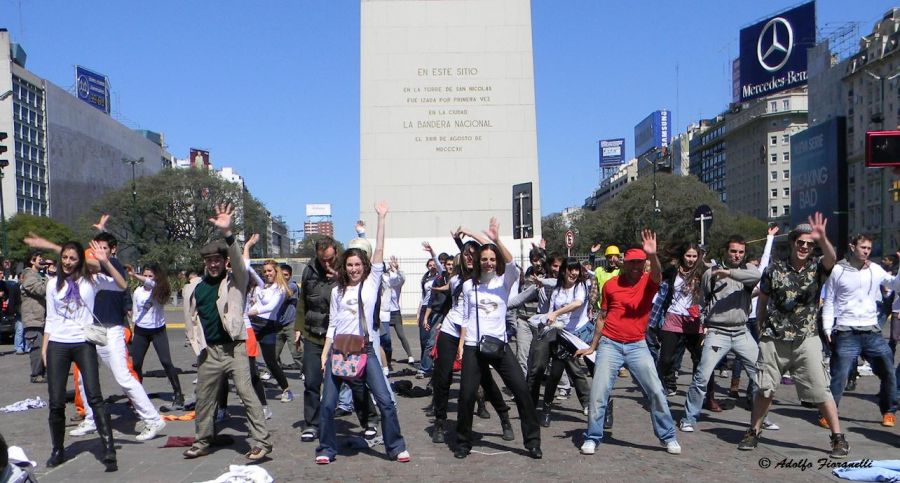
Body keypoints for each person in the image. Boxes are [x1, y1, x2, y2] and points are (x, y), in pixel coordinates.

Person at [738, 213, 849, 459]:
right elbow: (763, 300)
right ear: (793, 243)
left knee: (821, 390)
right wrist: (760, 327)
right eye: (801, 243)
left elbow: (833, 258)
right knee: (764, 389)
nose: (805, 247)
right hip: (773, 338)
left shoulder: (817, 268)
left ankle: (838, 437)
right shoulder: (774, 269)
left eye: (810, 244)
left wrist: (823, 239)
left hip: (805, 339)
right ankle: (753, 432)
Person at [316, 201, 411, 464]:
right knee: (327, 404)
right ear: (344, 267)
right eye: (350, 265)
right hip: (339, 351)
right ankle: (326, 449)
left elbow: (379, 249)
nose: (354, 269)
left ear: (365, 266)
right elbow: (332, 325)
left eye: (358, 265)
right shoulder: (337, 291)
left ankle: (395, 446)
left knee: (385, 401)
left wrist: (381, 219)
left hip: (366, 351)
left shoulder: (371, 284)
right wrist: (325, 353)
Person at [576, 230, 682, 456]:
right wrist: (593, 346)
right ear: (624, 263)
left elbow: (657, 274)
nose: (636, 267)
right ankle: (593, 437)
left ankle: (668, 436)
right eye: (632, 263)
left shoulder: (648, 282)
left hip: (637, 345)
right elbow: (602, 317)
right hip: (610, 344)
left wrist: (652, 255)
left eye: (640, 263)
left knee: (655, 391)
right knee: (598, 393)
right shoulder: (611, 285)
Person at [181, 204, 272, 460]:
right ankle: (201, 441)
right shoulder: (194, 288)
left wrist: (229, 234)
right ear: (204, 263)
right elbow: (192, 320)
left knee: (246, 394)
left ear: (225, 262)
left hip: (235, 349)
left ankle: (262, 442)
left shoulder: (235, 281)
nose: (213, 264)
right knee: (204, 398)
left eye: (218, 260)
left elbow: (241, 266)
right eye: (209, 261)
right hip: (209, 352)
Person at [455, 218, 542, 460]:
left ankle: (532, 442)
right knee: (467, 395)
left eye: (492, 259)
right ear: (478, 262)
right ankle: (463, 442)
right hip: (474, 345)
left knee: (522, 390)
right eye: (485, 259)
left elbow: (513, 263)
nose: (489, 263)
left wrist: (495, 240)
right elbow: (465, 317)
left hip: (500, 345)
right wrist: (462, 344)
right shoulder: (467, 286)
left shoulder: (504, 281)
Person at [38, 238, 127, 471]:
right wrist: (45, 349)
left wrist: (105, 262)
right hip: (58, 343)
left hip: (83, 342)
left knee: (95, 396)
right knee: (56, 401)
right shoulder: (52, 284)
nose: (67, 262)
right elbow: (50, 318)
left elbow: (121, 285)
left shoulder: (92, 280)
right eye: (64, 258)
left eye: (72, 258)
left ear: (80, 261)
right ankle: (58, 449)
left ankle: (108, 448)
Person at [431, 235, 515, 445]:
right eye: (465, 254)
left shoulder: (485, 279)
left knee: (485, 378)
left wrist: (476, 235)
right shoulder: (456, 278)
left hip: (474, 335)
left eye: (473, 254)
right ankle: (440, 422)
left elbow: (502, 263)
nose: (469, 257)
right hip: (451, 331)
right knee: (443, 377)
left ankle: (504, 416)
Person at [678, 236, 766, 432]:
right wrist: (703, 325)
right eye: (733, 251)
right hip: (718, 331)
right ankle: (689, 417)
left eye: (741, 252)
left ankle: (761, 417)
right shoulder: (711, 273)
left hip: (742, 331)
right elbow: (702, 299)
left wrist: (729, 273)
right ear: (726, 251)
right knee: (702, 376)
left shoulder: (748, 270)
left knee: (761, 376)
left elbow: (757, 277)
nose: (737, 255)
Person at [821, 234, 899, 427]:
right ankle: (828, 413)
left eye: (869, 248)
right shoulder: (839, 270)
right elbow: (829, 300)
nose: (866, 251)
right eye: (863, 247)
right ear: (852, 247)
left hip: (872, 331)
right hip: (846, 330)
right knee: (839, 375)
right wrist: (827, 327)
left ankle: (889, 410)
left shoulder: (875, 269)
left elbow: (895, 285)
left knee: (888, 371)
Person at [525, 258, 592, 427]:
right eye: (570, 269)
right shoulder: (557, 289)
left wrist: (556, 313)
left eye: (576, 270)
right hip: (556, 332)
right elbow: (550, 311)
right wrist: (549, 318)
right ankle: (534, 406)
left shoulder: (581, 286)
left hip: (574, 335)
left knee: (573, 369)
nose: (574, 273)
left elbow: (577, 303)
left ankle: (588, 404)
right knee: (540, 367)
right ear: (563, 271)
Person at [654, 243, 710, 404]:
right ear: (682, 256)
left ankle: (702, 394)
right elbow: (656, 276)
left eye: (694, 256)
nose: (691, 259)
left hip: (694, 320)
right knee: (665, 359)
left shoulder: (703, 272)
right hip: (674, 318)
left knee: (700, 359)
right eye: (688, 256)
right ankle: (658, 389)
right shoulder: (672, 271)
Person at [127, 264, 185, 409]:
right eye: (145, 275)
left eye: (150, 276)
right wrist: (133, 328)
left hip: (158, 330)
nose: (146, 279)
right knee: (136, 364)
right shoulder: (137, 292)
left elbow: (151, 284)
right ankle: (137, 396)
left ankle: (178, 393)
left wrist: (134, 275)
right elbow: (134, 312)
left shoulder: (158, 289)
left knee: (166, 362)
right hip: (141, 331)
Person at [21, 251, 47, 383]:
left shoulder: (39, 275)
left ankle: (44, 373)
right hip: (33, 319)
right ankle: (36, 375)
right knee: (37, 348)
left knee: (45, 347)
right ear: (32, 261)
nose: (43, 261)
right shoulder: (28, 275)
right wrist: (51, 280)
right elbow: (40, 290)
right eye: (40, 259)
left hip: (41, 319)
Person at [384, 257, 414, 364]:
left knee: (401, 335)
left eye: (391, 271)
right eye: (388, 271)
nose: (390, 273)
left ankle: (410, 356)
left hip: (395, 312)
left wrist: (397, 268)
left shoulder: (397, 284)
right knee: (386, 338)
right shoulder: (383, 283)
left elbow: (402, 278)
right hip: (384, 313)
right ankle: (387, 361)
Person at [274, 264, 302, 372]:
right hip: (277, 325)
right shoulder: (274, 286)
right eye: (281, 274)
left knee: (296, 352)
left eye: (286, 275)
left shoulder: (293, 286)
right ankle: (271, 371)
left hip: (291, 323)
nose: (284, 277)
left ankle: (305, 371)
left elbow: (283, 294)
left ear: (290, 276)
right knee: (273, 353)